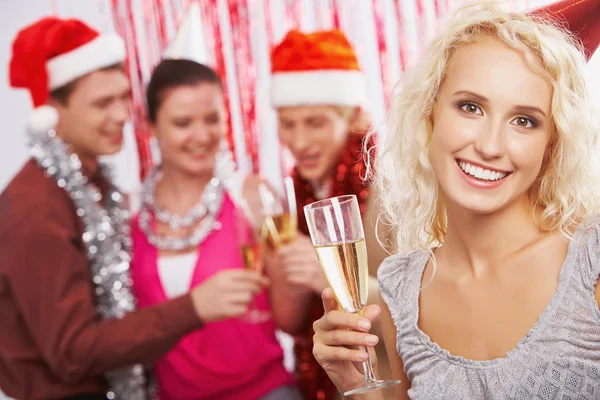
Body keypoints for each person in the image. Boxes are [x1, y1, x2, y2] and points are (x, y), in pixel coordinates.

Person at [312, 0, 600, 398]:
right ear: (429, 114)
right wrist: (356, 383)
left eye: (524, 121)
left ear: (551, 144)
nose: (490, 145)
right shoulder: (402, 290)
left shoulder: (591, 262)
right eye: (470, 107)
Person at [0, 18, 219, 400]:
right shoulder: (35, 207)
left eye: (123, 97)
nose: (121, 114)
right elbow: (73, 351)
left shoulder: (95, 185)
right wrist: (194, 307)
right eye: (103, 103)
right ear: (53, 109)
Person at [130, 58, 300, 400]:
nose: (202, 136)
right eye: (182, 123)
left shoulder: (253, 197)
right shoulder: (129, 214)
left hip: (264, 392)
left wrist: (294, 272)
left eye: (211, 119)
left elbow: (290, 320)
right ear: (150, 125)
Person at [267, 29, 391, 399]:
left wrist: (334, 276)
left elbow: (430, 305)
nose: (300, 142)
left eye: (316, 122)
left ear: (352, 116)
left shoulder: (391, 188)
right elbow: (289, 322)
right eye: (288, 124)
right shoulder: (297, 196)